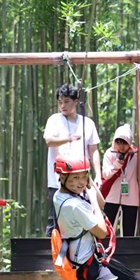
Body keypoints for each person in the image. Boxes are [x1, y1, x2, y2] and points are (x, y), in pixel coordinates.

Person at [52, 155, 140, 280]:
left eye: (83, 176)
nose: (80, 182)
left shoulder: (61, 194)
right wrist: (91, 198)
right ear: (62, 178)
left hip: (93, 255)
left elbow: (102, 202)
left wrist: (88, 182)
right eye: (75, 178)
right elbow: (102, 231)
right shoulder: (73, 205)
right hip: (87, 262)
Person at [44, 84, 102, 236]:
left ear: (76, 101)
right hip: (58, 180)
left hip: (82, 180)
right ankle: (52, 256)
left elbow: (93, 149)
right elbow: (49, 140)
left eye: (67, 101)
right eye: (60, 102)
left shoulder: (87, 123)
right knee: (55, 221)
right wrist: (68, 139)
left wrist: (98, 175)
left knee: (85, 218)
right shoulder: (54, 120)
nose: (63, 105)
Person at [102, 123, 140, 237]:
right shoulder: (110, 153)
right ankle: (104, 252)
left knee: (129, 232)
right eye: (119, 142)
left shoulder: (137, 155)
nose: (121, 146)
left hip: (131, 197)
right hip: (111, 196)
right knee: (106, 230)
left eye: (124, 142)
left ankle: (127, 254)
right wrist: (115, 166)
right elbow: (105, 174)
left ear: (130, 142)